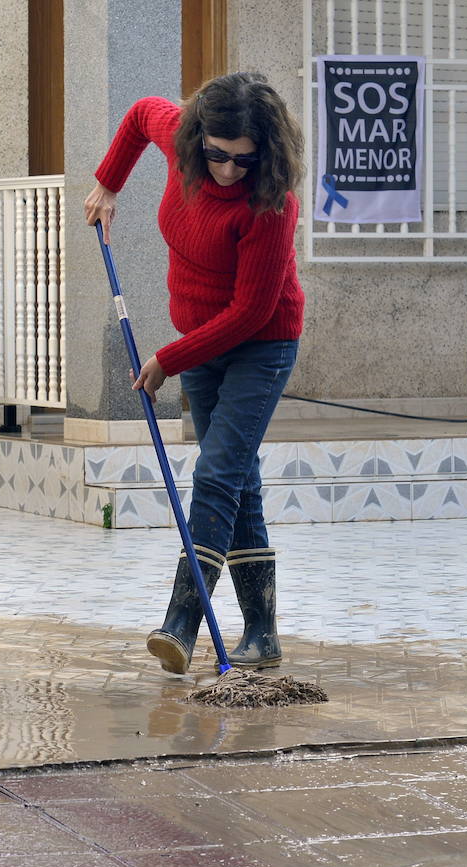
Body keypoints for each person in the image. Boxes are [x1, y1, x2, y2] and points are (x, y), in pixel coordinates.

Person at [83, 72, 306, 676]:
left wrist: (166, 360)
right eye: (215, 155)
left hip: (260, 345)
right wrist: (108, 185)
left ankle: (180, 624)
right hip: (200, 342)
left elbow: (251, 312)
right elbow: (136, 114)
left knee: (216, 472)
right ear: (197, 139)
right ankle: (262, 634)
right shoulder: (179, 132)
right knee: (236, 481)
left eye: (243, 159)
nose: (228, 171)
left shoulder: (272, 205)